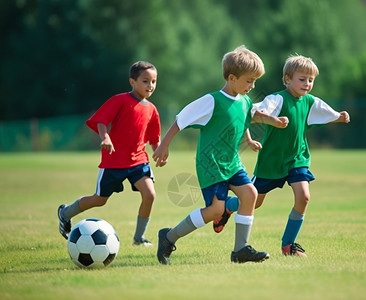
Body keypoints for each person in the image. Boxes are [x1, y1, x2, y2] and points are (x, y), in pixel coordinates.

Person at [152, 45, 289, 264]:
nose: (252, 86)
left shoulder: (244, 100)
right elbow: (181, 119)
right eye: (249, 81)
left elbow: (248, 116)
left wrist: (268, 125)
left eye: (255, 81)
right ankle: (169, 237)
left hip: (232, 162)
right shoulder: (212, 101)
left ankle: (240, 250)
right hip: (212, 164)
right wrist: (163, 145)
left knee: (250, 194)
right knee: (216, 211)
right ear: (232, 78)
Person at [213, 54, 350, 257]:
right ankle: (227, 208)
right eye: (302, 79)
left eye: (311, 80)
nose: (307, 84)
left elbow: (324, 111)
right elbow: (253, 114)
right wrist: (271, 120)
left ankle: (289, 246)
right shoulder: (277, 99)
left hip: (297, 159)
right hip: (271, 162)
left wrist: (338, 116)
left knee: (303, 197)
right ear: (287, 79)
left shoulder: (309, 101)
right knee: (255, 201)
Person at [58, 61, 162, 247]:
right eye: (145, 81)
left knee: (150, 195)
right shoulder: (120, 100)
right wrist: (105, 138)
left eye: (153, 81)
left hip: (138, 161)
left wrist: (159, 151)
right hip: (114, 162)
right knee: (100, 200)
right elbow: (101, 120)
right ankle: (65, 213)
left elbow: (154, 138)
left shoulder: (152, 109)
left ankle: (139, 239)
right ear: (132, 81)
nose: (150, 85)